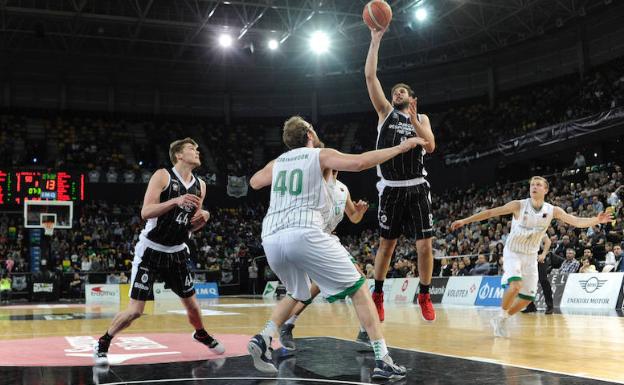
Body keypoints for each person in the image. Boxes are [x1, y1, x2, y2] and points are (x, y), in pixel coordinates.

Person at [247, 116, 424, 379]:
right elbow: (361, 162)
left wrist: (279, 170)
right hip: (305, 231)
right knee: (359, 287)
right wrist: (401, 147)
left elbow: (254, 182)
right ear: (309, 133)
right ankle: (382, 359)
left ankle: (264, 337)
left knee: (296, 293)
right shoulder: (320, 155)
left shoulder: (278, 162)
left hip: (271, 237)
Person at [93, 138, 224, 366]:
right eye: (192, 149)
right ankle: (104, 342)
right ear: (179, 155)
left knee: (192, 305)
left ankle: (200, 333)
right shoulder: (163, 175)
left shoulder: (200, 185)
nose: (197, 151)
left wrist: (204, 218)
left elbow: (190, 225)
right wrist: (176, 200)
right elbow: (146, 212)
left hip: (178, 251)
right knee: (135, 311)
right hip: (151, 250)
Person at [451, 176, 612, 338]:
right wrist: (465, 221)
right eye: (532, 185)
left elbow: (576, 221)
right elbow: (491, 212)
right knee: (515, 286)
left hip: (531, 256)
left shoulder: (552, 210)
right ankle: (501, 314)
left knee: (527, 299)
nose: (534, 187)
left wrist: (595, 220)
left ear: (546, 190)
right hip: (513, 251)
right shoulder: (518, 205)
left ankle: (501, 319)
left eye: (538, 185)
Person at [365, 26, 437, 323]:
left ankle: (424, 293)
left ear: (411, 97)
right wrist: (375, 40)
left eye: (402, 91)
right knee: (387, 245)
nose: (397, 93)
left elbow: (430, 146)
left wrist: (416, 121)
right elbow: (370, 77)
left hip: (417, 186)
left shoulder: (421, 118)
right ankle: (378, 293)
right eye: (395, 91)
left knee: (425, 246)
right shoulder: (385, 113)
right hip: (391, 188)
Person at [278, 169, 371, 350]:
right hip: (311, 238)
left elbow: (354, 218)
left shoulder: (343, 189)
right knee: (358, 280)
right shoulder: (313, 186)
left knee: (320, 285)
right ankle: (365, 332)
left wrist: (360, 211)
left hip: (328, 239)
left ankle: (287, 324)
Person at [521, 235, 554, 314]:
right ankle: (530, 306)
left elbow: (548, 241)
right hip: (527, 258)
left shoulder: (538, 227)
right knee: (526, 282)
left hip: (539, 257)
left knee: (543, 280)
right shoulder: (521, 230)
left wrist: (543, 254)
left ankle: (550, 306)